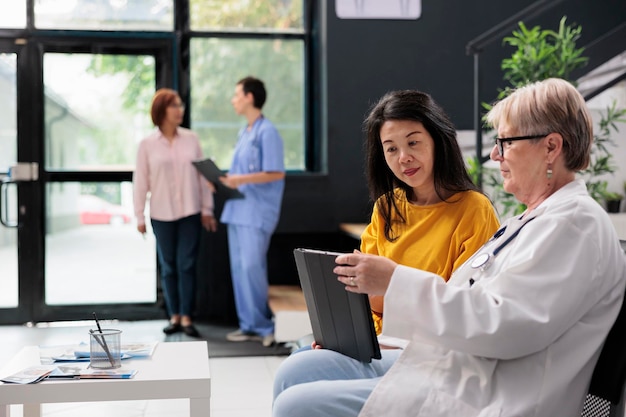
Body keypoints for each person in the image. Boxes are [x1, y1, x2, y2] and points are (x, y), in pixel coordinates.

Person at [273, 78, 626, 417]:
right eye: (391, 149)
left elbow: (502, 325)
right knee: (297, 371)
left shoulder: (573, 224)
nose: (494, 154)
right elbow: (471, 302)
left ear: (551, 147)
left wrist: (396, 281)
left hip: (491, 393)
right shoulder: (535, 220)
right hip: (457, 365)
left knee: (297, 404)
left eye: (505, 142)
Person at [361, 90, 500, 335]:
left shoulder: (474, 210)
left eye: (413, 142)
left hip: (426, 347)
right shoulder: (385, 207)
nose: (403, 158)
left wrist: (388, 289)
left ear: (438, 140)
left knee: (298, 370)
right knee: (303, 360)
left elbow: (463, 303)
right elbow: (365, 299)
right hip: (377, 340)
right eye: (391, 149)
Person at [133, 88, 217, 338]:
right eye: (174, 106)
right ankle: (175, 316)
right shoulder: (147, 144)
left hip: (191, 211)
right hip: (160, 214)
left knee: (187, 264)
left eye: (181, 105)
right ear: (162, 111)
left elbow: (203, 176)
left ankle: (188, 316)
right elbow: (141, 181)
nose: (180, 110)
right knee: (168, 267)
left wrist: (207, 208)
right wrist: (139, 215)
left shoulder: (191, 139)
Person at [220, 76, 285, 347]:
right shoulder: (244, 131)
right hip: (237, 209)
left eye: (237, 95)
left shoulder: (266, 131)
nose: (233, 100)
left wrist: (239, 180)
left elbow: (275, 172)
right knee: (239, 269)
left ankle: (264, 325)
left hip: (256, 211)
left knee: (251, 267)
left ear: (249, 97)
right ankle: (248, 324)